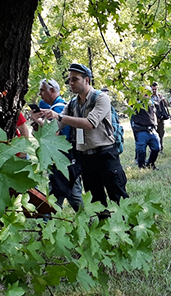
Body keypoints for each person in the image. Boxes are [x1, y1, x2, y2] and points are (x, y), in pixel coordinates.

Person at [40, 63, 128, 207]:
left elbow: (90, 123)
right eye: (69, 80)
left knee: (118, 198)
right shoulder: (72, 104)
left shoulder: (101, 98)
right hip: (85, 159)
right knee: (96, 202)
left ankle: (129, 229)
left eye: (75, 79)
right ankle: (102, 228)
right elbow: (56, 128)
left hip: (105, 155)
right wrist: (39, 120)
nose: (70, 83)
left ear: (86, 80)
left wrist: (59, 117)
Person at [30, 78, 83, 211]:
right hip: (61, 160)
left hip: (65, 160)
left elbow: (57, 136)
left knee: (71, 195)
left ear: (52, 90)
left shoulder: (60, 109)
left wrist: (39, 121)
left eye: (42, 90)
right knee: (61, 193)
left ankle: (87, 220)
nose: (39, 94)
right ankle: (49, 222)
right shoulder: (54, 108)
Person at [130, 92, 160, 170]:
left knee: (156, 148)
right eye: (145, 94)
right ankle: (141, 167)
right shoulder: (136, 104)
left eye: (148, 94)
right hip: (141, 130)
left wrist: (155, 124)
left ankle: (150, 163)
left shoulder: (151, 103)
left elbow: (154, 113)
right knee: (141, 150)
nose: (147, 96)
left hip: (152, 130)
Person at [150, 82, 169, 152]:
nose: (154, 91)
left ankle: (161, 147)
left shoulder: (159, 96)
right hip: (151, 118)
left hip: (160, 118)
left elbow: (166, 105)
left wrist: (163, 100)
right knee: (152, 134)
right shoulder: (148, 97)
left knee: (161, 133)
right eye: (153, 89)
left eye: (155, 89)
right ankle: (153, 148)